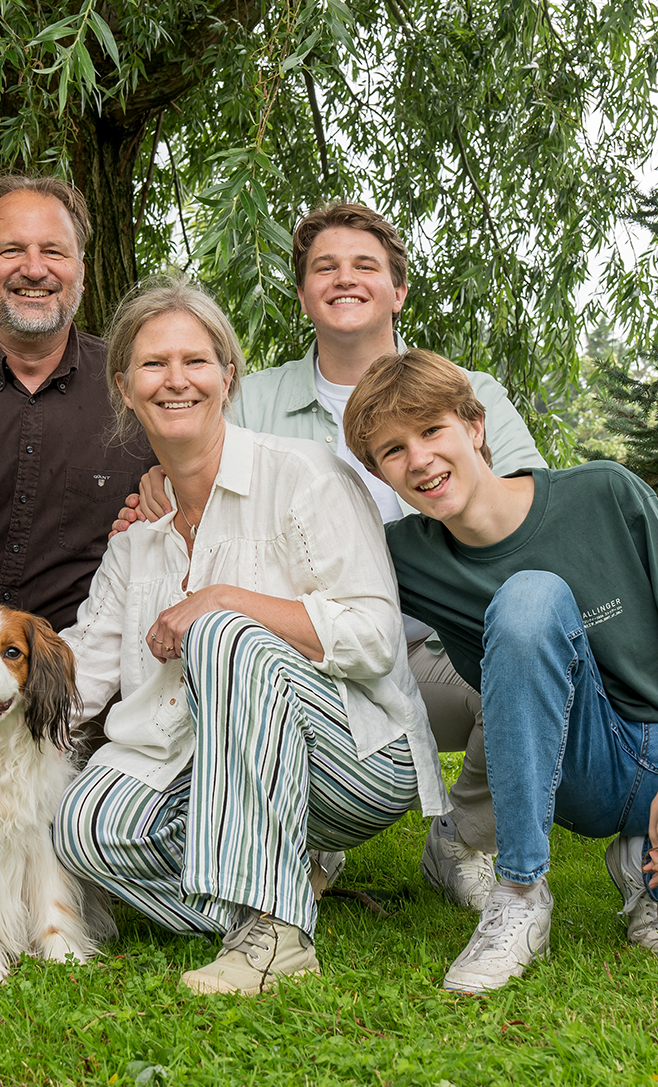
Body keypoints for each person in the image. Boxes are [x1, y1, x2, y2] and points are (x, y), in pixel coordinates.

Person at [342, 349, 658, 994]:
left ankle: (646, 864)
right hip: (572, 757)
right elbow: (294, 562)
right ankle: (520, 894)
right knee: (532, 598)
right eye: (392, 450)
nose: (418, 459)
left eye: (432, 430)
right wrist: (174, 490)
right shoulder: (408, 557)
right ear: (381, 473)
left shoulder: (605, 494)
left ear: (475, 425)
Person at [119, 202, 544, 914]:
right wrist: (155, 487)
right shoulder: (251, 398)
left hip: (431, 646)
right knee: (235, 662)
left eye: (365, 266)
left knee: (521, 669)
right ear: (303, 291)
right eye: (325, 267)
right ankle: (300, 839)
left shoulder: (469, 394)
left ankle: (462, 839)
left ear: (398, 290)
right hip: (299, 649)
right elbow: (188, 476)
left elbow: (524, 510)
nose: (344, 280)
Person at [53, 275, 446, 996]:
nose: (177, 380)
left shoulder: (305, 477)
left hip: (351, 757)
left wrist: (224, 599)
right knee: (82, 825)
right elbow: (82, 675)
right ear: (125, 387)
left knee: (223, 632)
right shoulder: (136, 539)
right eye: (153, 364)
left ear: (227, 376)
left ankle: (276, 930)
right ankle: (281, 886)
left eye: (196, 361)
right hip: (202, 769)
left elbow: (374, 639)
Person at [0, 175, 156, 632]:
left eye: (53, 252)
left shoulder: (137, 393)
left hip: (78, 685)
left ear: (81, 269)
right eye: (11, 250)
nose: (34, 270)